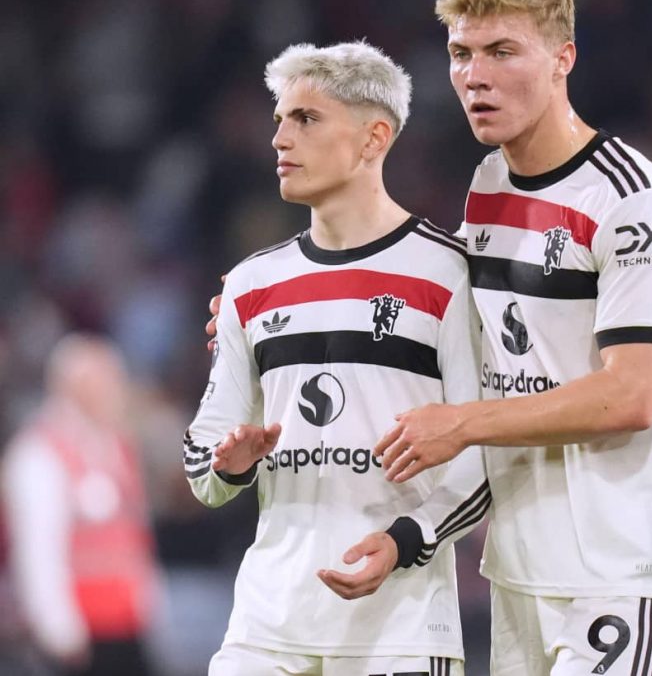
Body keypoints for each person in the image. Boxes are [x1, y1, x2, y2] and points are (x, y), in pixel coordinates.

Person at [373, 0, 652, 675]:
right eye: (461, 54)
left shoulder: (633, 198)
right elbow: (475, 335)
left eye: (502, 51)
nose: (475, 76)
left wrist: (464, 423)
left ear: (563, 59)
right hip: (521, 568)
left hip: (623, 570)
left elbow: (632, 395)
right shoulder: (489, 181)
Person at [188, 41, 486, 676]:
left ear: (374, 138)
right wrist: (229, 466)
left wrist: (404, 542)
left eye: (306, 119)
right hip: (268, 626)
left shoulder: (448, 273)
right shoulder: (251, 283)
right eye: (279, 120)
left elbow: (485, 458)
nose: (280, 139)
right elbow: (202, 460)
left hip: (400, 630)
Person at [2, 334, 161, 676]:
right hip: (81, 633)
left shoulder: (117, 447)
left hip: (126, 626)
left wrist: (148, 608)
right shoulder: (41, 453)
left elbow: (134, 540)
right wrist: (57, 627)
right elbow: (39, 549)